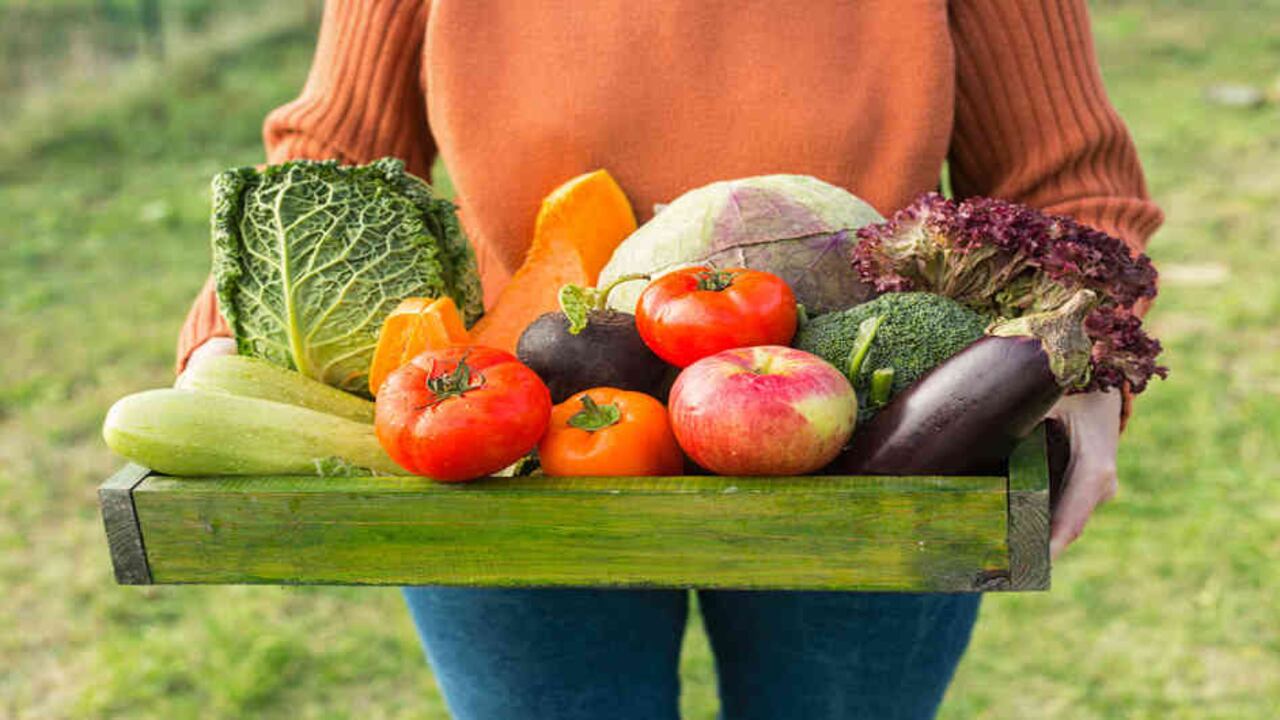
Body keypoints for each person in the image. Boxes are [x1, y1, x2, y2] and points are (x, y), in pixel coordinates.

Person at [178, 1, 1162, 718]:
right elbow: (332, 156)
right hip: (505, 431)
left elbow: (1065, 181)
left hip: (877, 439)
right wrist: (237, 334)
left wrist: (1079, 359)